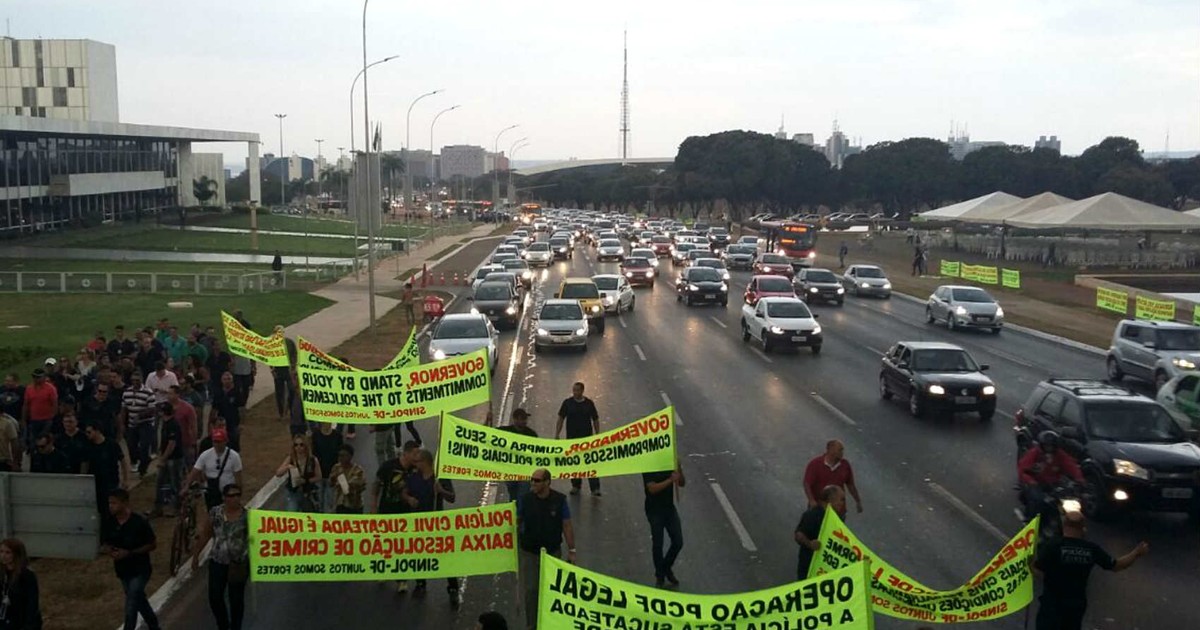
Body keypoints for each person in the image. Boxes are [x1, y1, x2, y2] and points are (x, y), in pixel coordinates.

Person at [1034, 511, 1148, 630]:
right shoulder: (1091, 549)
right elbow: (1116, 565)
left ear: (1064, 525)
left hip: (1051, 605)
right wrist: (1136, 553)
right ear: (1083, 528)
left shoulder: (1053, 546)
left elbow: (1038, 571)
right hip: (1076, 606)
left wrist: (1030, 565)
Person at [517, 469, 575, 630]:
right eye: (532, 480)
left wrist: (572, 550)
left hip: (552, 552)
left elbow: (567, 524)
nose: (533, 483)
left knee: (551, 590)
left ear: (547, 482)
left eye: (537, 480)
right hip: (530, 552)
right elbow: (516, 521)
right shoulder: (525, 499)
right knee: (531, 591)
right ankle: (531, 625)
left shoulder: (559, 500)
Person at [402, 449, 459, 604]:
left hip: (436, 522)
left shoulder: (439, 477)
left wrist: (441, 491)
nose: (415, 464)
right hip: (418, 522)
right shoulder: (414, 477)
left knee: (444, 554)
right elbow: (404, 492)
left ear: (426, 462)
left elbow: (452, 498)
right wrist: (409, 499)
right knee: (419, 553)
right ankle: (421, 583)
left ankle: (453, 587)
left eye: (418, 461)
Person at [101, 489, 161, 630]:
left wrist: (130, 553)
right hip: (123, 570)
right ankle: (154, 625)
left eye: (114, 503)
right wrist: (110, 551)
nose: (111, 506)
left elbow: (152, 544)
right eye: (109, 503)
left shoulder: (138, 522)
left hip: (140, 569)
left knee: (132, 600)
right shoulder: (109, 522)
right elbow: (105, 543)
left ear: (124, 503)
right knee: (138, 600)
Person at [193, 483, 249, 630]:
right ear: (224, 498)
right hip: (218, 562)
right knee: (215, 597)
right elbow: (206, 534)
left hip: (238, 564)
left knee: (236, 600)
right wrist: (195, 556)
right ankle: (223, 625)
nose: (235, 499)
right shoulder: (215, 513)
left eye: (238, 495)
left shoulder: (247, 516)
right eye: (231, 496)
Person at [374, 440, 420, 593]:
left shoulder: (416, 470)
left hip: (405, 514)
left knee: (402, 546)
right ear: (405, 453)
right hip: (387, 510)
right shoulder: (388, 466)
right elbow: (376, 485)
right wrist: (373, 507)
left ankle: (402, 580)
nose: (417, 456)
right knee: (385, 543)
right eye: (414, 453)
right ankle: (383, 571)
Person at [1017, 431, 1084, 524]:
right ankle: (1032, 521)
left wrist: (1079, 478)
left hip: (1053, 483)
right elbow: (1022, 469)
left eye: (1051, 446)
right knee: (1038, 499)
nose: (1049, 448)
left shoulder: (1059, 454)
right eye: (1047, 446)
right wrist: (1030, 481)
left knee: (1068, 498)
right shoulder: (1034, 453)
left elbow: (1071, 465)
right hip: (1036, 482)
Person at [643, 460, 685, 588]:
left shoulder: (669, 461)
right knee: (658, 543)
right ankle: (660, 576)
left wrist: (679, 469)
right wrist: (670, 481)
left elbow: (682, 483)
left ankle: (665, 567)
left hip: (668, 508)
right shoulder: (647, 463)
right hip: (654, 510)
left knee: (678, 541)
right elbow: (652, 489)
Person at [555, 382, 601, 496]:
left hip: (587, 439)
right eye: (574, 390)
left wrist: (598, 434)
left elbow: (595, 419)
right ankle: (576, 485)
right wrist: (557, 433)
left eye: (578, 390)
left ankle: (595, 488)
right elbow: (561, 418)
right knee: (574, 463)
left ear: (582, 391)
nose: (575, 392)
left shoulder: (589, 404)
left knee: (590, 463)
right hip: (572, 439)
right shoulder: (567, 403)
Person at [794, 485, 847, 580]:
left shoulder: (837, 518)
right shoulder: (812, 515)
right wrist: (810, 544)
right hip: (809, 566)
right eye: (841, 499)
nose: (843, 503)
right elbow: (798, 535)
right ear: (831, 500)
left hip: (824, 569)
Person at [185, 428, 243, 510]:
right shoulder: (205, 455)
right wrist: (187, 485)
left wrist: (238, 493)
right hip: (211, 491)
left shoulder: (234, 456)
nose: (217, 444)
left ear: (225, 441)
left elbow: (238, 476)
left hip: (228, 492)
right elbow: (195, 471)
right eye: (215, 441)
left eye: (219, 441)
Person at [802, 440, 863, 514]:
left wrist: (858, 501)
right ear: (831, 449)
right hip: (819, 508)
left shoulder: (845, 465)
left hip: (838, 510)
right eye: (840, 450)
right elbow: (807, 483)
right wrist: (812, 501)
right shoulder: (815, 464)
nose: (842, 453)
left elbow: (850, 485)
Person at [82, 423, 129, 519]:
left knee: (111, 508)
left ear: (97, 431)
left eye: (89, 432)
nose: (87, 434)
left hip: (110, 482)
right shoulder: (88, 446)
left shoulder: (111, 445)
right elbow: (85, 464)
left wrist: (126, 479)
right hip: (95, 482)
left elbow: (123, 461)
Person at [0, 538, 42, 630]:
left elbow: (32, 604)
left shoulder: (27, 575)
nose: (3, 555)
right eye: (1, 551)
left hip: (21, 620)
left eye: (8, 552)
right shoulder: (2, 573)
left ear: (16, 554)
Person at [153, 403, 185, 517]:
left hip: (174, 459)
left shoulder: (172, 425)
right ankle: (158, 508)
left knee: (175, 484)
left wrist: (162, 459)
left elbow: (172, 444)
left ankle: (177, 508)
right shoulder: (167, 423)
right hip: (169, 458)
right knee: (161, 483)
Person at [499, 408, 537, 502]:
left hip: (525, 472)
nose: (525, 421)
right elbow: (486, 434)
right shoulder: (505, 431)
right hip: (510, 471)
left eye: (525, 419)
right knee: (513, 496)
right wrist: (488, 419)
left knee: (522, 496)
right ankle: (515, 512)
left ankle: (519, 514)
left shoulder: (531, 434)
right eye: (522, 419)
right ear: (515, 419)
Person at [276, 435, 321, 512]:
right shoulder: (290, 458)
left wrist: (306, 481)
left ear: (305, 446)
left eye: (301, 445)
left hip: (308, 493)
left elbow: (319, 476)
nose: (298, 447)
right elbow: (278, 473)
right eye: (296, 445)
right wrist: (287, 467)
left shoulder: (313, 460)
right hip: (293, 492)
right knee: (291, 514)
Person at [21, 369, 57, 454]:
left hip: (47, 419)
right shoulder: (29, 389)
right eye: (34, 377)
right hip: (34, 420)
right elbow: (26, 405)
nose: (36, 379)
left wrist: (53, 418)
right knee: (33, 441)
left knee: (45, 441)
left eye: (38, 377)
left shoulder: (50, 388)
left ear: (44, 377)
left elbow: (55, 404)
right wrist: (23, 419)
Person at [311, 423, 343, 512]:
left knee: (331, 503)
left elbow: (341, 456)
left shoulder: (338, 436)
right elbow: (313, 455)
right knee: (318, 503)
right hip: (318, 474)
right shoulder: (315, 435)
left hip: (332, 475)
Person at [328, 444, 366, 514]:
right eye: (339, 455)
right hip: (340, 504)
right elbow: (331, 484)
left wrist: (340, 478)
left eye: (343, 456)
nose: (340, 458)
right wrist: (333, 479)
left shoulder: (358, 470)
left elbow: (350, 487)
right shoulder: (336, 467)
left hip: (354, 506)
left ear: (350, 456)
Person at [211, 372, 244, 452]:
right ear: (221, 381)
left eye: (229, 379)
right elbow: (214, 409)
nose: (227, 381)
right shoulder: (218, 393)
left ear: (232, 380)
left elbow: (241, 409)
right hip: (221, 423)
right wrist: (211, 424)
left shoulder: (236, 392)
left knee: (234, 443)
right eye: (225, 379)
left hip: (233, 422)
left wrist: (241, 423)